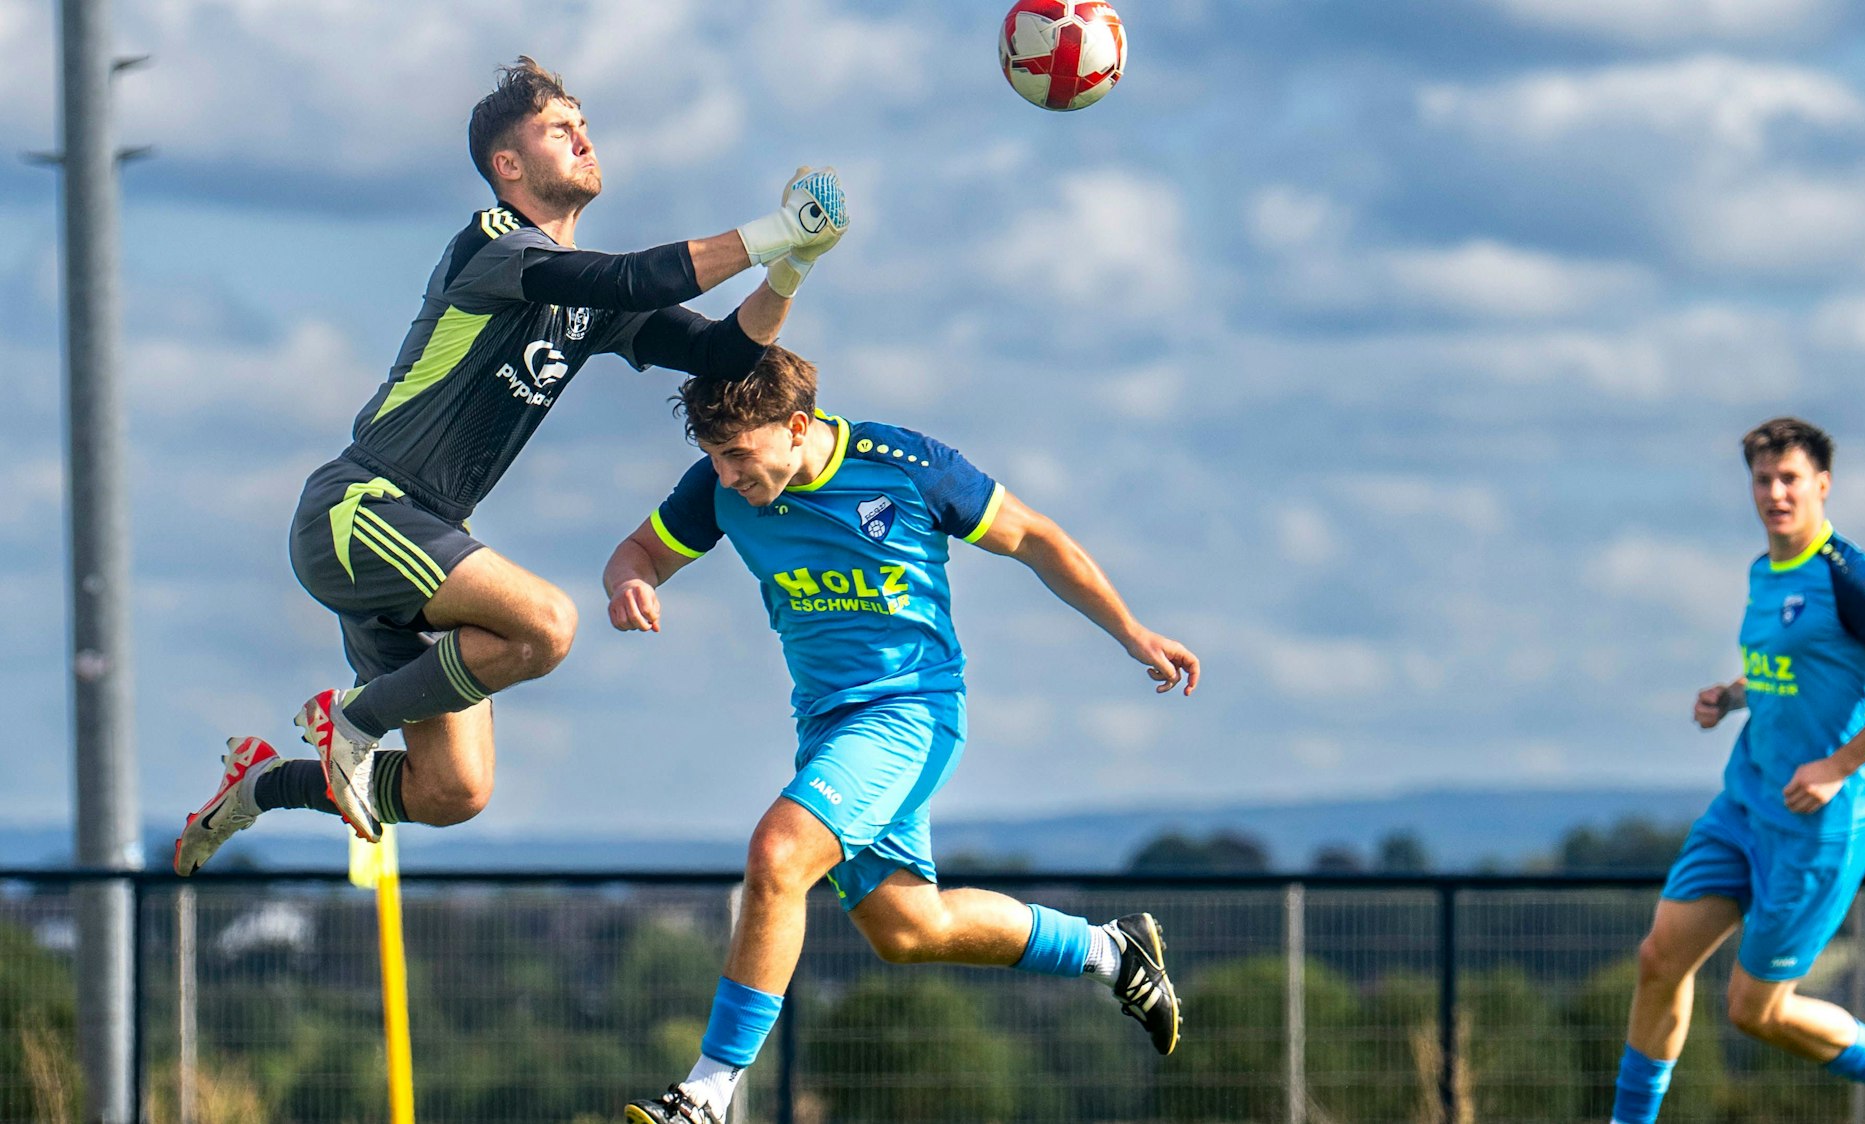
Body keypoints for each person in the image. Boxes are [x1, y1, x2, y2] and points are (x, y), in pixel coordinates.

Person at [173, 56, 850, 874]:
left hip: (423, 542)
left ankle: (263, 784)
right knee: (545, 624)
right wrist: (777, 227)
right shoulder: (492, 244)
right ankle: (353, 721)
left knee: (452, 791)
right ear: (508, 165)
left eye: (584, 125)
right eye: (559, 129)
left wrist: (795, 263)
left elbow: (721, 351)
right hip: (364, 513)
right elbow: (634, 276)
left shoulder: (586, 301)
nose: (583, 138)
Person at [602, 347, 1200, 1124]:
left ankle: (707, 1092)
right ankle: (1110, 952)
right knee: (908, 928)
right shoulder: (717, 489)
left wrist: (1130, 632)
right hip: (825, 727)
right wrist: (631, 579)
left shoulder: (905, 465)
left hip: (911, 715)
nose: (725, 478)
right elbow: (639, 547)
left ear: (796, 427)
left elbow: (1035, 538)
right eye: (713, 459)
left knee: (778, 854)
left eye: (738, 457)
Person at [1610, 417, 1865, 1124]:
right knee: (1657, 960)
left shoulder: (1852, 579)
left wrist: (1837, 764)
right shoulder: (1762, 572)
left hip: (1817, 825)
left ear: (1821, 486)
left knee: (1753, 1010)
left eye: (1789, 478)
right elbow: (1792, 669)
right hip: (1744, 805)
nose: (1775, 492)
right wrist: (1732, 696)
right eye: (1763, 479)